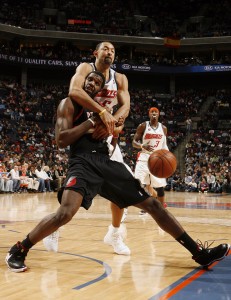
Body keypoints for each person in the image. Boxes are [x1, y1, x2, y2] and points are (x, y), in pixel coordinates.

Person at [5, 72, 230, 273]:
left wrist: (112, 125)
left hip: (106, 160)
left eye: (97, 82)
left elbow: (119, 123)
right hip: (82, 162)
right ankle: (19, 249)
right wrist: (92, 122)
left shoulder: (106, 110)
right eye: (90, 80)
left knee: (153, 204)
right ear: (83, 82)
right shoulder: (69, 104)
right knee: (65, 213)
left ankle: (199, 252)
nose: (92, 83)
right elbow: (61, 140)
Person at [68, 41, 131, 255]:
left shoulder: (120, 78)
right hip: (83, 135)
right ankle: (54, 226)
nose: (110, 53)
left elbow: (126, 106)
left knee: (122, 189)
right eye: (106, 49)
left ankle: (114, 233)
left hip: (105, 139)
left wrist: (114, 123)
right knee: (74, 196)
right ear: (95, 52)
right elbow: (74, 91)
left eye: (113, 51)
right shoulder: (86, 69)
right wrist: (103, 113)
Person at [132, 107, 169, 214]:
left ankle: (162, 211)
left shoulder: (163, 128)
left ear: (158, 114)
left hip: (157, 158)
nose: (154, 113)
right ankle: (145, 206)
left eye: (155, 112)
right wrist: (142, 145)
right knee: (137, 184)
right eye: (152, 112)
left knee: (160, 187)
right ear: (149, 114)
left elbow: (164, 145)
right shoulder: (143, 126)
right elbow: (134, 142)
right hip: (144, 158)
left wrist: (166, 157)